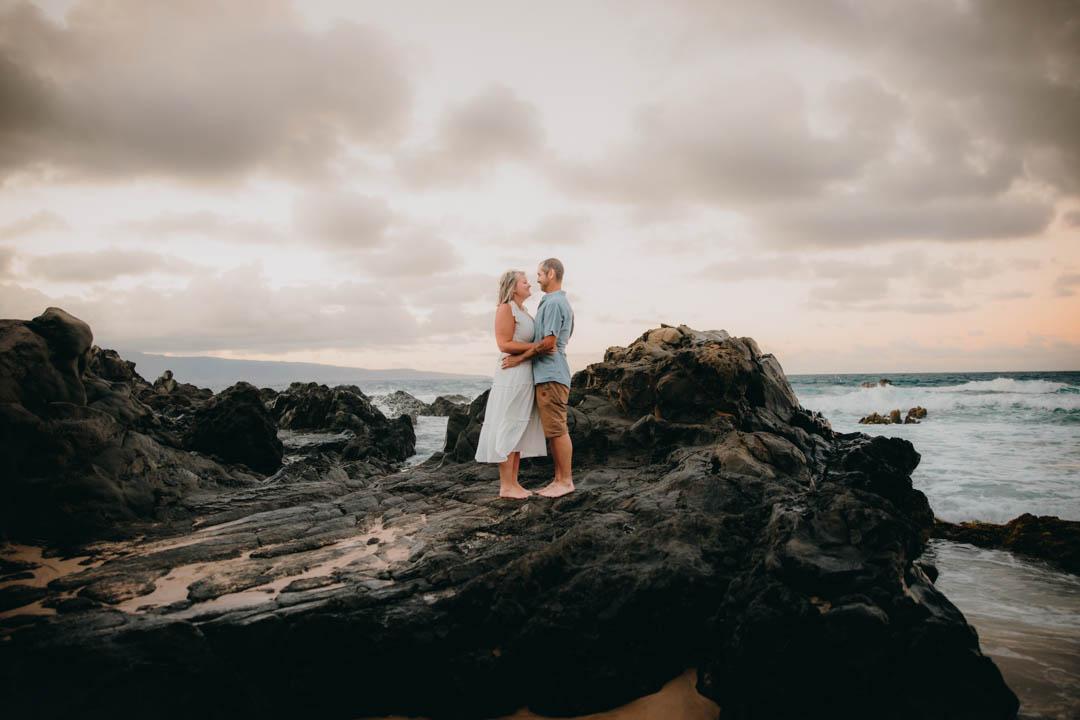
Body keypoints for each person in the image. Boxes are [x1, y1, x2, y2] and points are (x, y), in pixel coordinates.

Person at [474, 270, 552, 498]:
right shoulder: (506, 308)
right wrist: (537, 347)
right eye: (524, 281)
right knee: (508, 422)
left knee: (518, 424)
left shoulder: (524, 311)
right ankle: (506, 486)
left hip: (524, 372)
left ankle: (514, 483)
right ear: (512, 286)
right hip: (511, 373)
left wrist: (535, 349)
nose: (530, 284)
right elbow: (503, 343)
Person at [503, 258, 574, 497]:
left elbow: (549, 343)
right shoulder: (553, 301)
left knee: (557, 429)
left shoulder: (554, 303)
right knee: (554, 428)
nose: (537, 279)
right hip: (550, 372)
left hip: (551, 373)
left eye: (540, 274)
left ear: (551, 274)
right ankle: (559, 480)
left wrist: (520, 358)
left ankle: (564, 481)